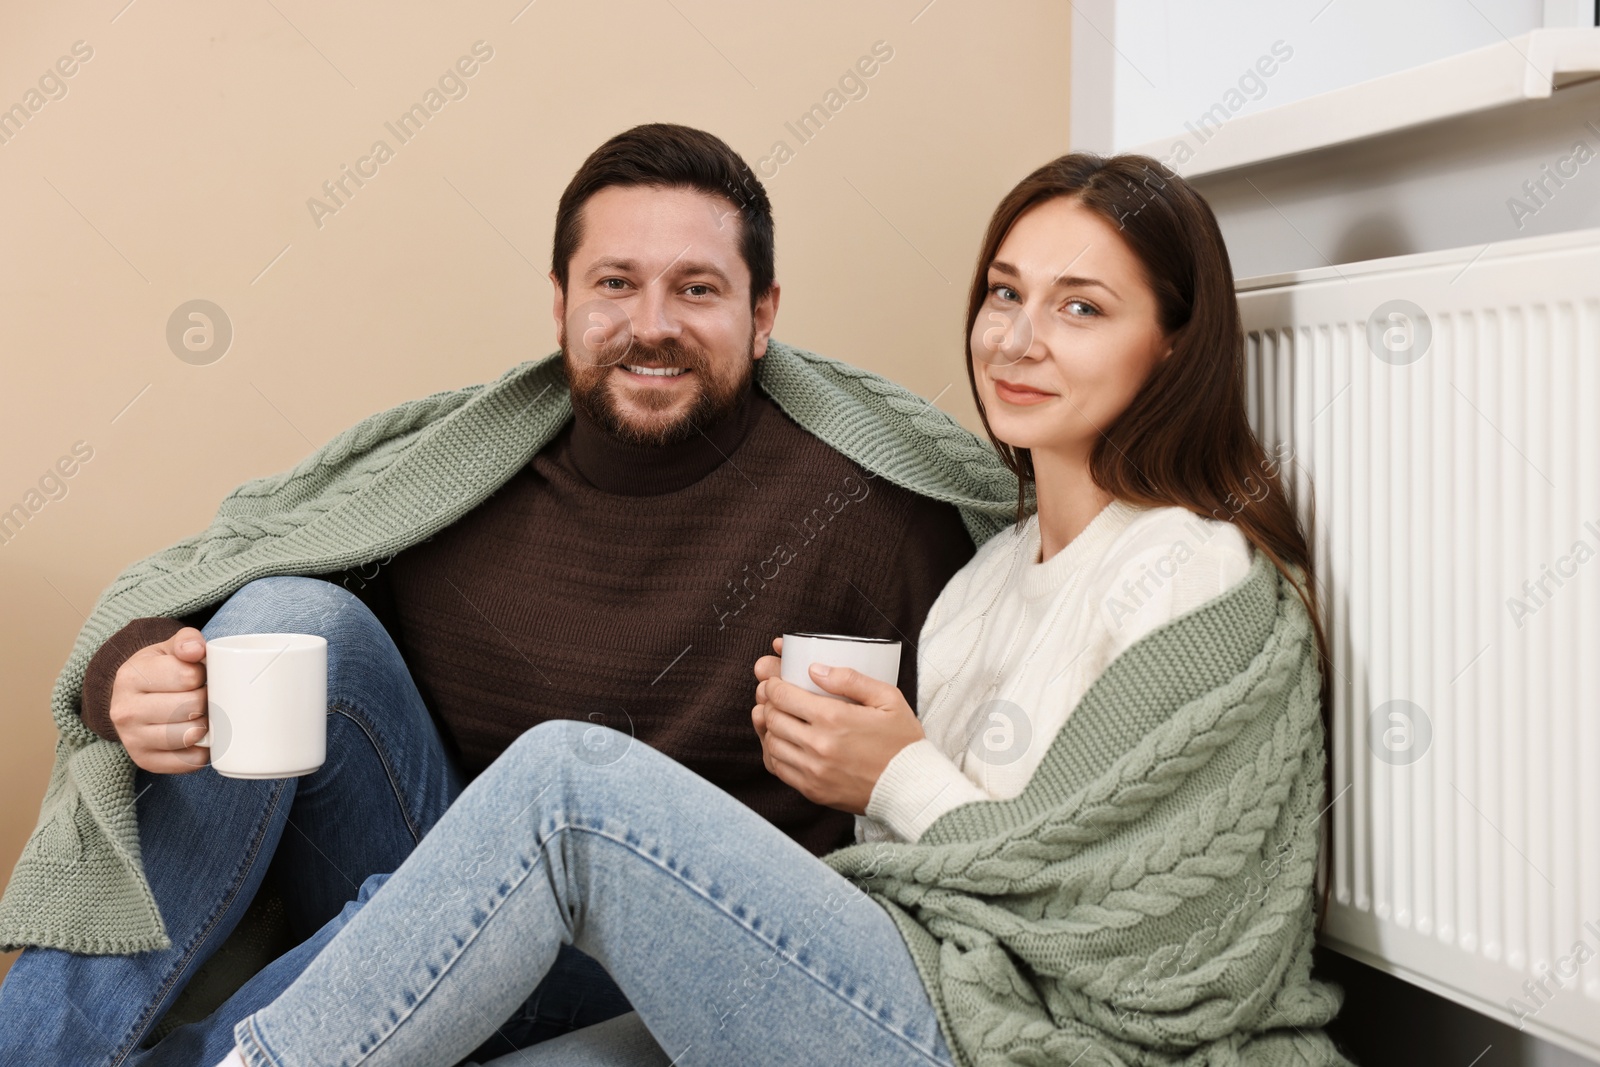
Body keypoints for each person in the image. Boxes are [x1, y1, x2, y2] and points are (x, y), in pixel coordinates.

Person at [210, 152, 1350, 1067]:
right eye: (1005, 292)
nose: (1017, 337)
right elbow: (931, 869)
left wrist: (892, 772)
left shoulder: (1191, 576)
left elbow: (1125, 935)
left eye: (1081, 307)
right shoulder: (983, 586)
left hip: (1008, 1038)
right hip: (909, 983)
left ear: (1172, 346)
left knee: (571, 787)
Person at [0, 125, 1016, 1066]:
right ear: (562, 303)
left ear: (762, 317)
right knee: (284, 617)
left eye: (697, 288)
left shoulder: (874, 512)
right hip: (442, 892)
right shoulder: (464, 480)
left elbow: (996, 766)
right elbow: (227, 567)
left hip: (677, 947)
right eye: (615, 282)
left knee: (492, 847)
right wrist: (131, 673)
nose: (651, 325)